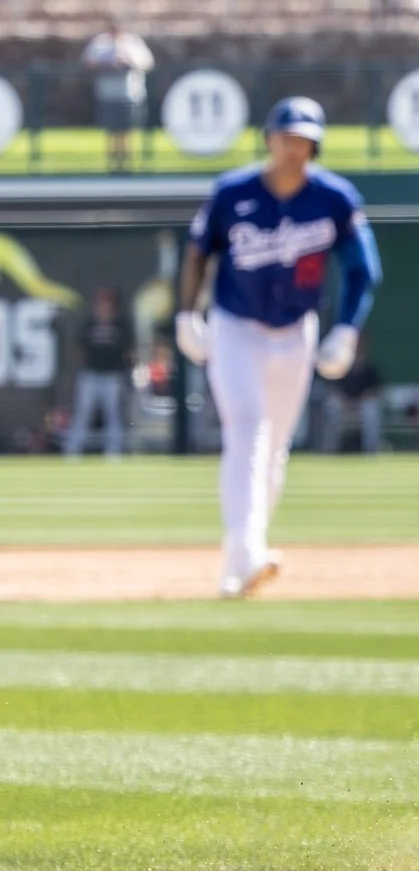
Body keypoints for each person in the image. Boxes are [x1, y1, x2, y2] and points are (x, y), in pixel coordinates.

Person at [173, 98, 380, 598]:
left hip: (295, 331)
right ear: (269, 139)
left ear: (315, 145)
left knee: (275, 450)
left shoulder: (334, 197)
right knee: (247, 431)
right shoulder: (233, 192)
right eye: (286, 137)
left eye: (303, 139)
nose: (293, 148)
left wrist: (347, 329)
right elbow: (198, 253)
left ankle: (237, 559)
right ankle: (249, 552)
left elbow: (363, 270)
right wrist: (186, 313)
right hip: (236, 326)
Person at [64, 285, 133, 458]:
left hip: (113, 376)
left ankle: (114, 452)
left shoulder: (121, 325)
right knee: (83, 414)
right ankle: (73, 451)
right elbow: (79, 349)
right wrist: (83, 367)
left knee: (114, 415)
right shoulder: (89, 323)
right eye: (101, 302)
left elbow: (129, 350)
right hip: (91, 375)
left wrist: (125, 369)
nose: (104, 306)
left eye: (108, 302)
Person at [79, 21, 154, 174]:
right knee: (111, 130)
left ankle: (127, 161)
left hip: (129, 93)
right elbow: (88, 62)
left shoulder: (132, 42)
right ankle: (113, 161)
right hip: (108, 93)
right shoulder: (100, 43)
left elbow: (147, 63)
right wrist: (106, 64)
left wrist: (129, 62)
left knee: (127, 130)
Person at [322, 351, 386, 455]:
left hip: (361, 407)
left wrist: (357, 404)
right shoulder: (341, 371)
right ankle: (329, 450)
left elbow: (373, 392)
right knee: (332, 406)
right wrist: (346, 404)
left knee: (371, 410)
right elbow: (335, 391)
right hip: (344, 407)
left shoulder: (369, 371)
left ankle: (371, 450)